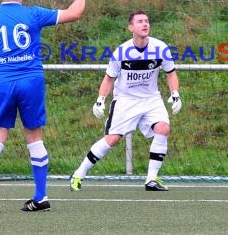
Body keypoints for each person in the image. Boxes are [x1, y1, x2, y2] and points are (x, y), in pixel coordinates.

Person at [0, 0, 93, 212]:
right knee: (34, 138)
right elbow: (75, 13)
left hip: (3, 82)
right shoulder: (33, 14)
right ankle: (40, 196)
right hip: (31, 82)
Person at [69, 10, 181, 192]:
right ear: (131, 28)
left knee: (163, 128)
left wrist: (175, 93)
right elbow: (109, 78)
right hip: (126, 101)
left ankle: (151, 179)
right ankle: (78, 174)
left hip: (151, 99)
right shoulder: (121, 51)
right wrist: (100, 99)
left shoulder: (161, 48)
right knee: (112, 139)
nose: (145, 24)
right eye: (140, 22)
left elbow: (171, 73)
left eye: (147, 21)